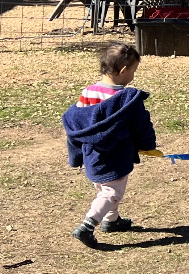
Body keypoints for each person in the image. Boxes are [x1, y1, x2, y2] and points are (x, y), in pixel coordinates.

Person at [62, 42, 157, 246]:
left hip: (92, 154)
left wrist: (76, 154)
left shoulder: (87, 92)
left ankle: (111, 221)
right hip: (116, 155)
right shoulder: (126, 99)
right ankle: (88, 225)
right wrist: (148, 145)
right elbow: (142, 125)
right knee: (111, 191)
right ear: (123, 71)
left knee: (105, 188)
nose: (133, 76)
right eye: (133, 71)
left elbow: (80, 125)